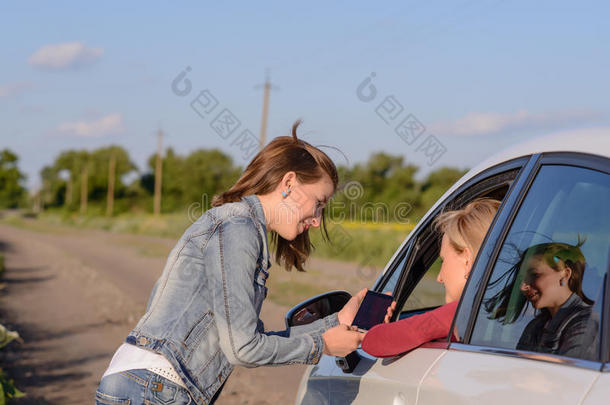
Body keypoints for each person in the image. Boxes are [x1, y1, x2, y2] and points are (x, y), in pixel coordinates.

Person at [96, 121, 370, 405]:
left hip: (150, 386)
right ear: (289, 183)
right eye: (319, 203)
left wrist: (335, 323)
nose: (316, 220)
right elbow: (244, 349)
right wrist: (323, 345)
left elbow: (248, 338)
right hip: (154, 388)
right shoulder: (238, 228)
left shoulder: (239, 227)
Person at [361, 198, 501, 358]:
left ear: (467, 259)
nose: (439, 278)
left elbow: (374, 342)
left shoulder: (464, 313)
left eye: (443, 261)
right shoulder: (512, 307)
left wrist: (359, 336)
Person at [515, 242, 597, 359]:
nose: (523, 287)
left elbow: (568, 374)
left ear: (565, 275)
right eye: (521, 278)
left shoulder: (586, 324)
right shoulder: (535, 326)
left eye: (534, 275)